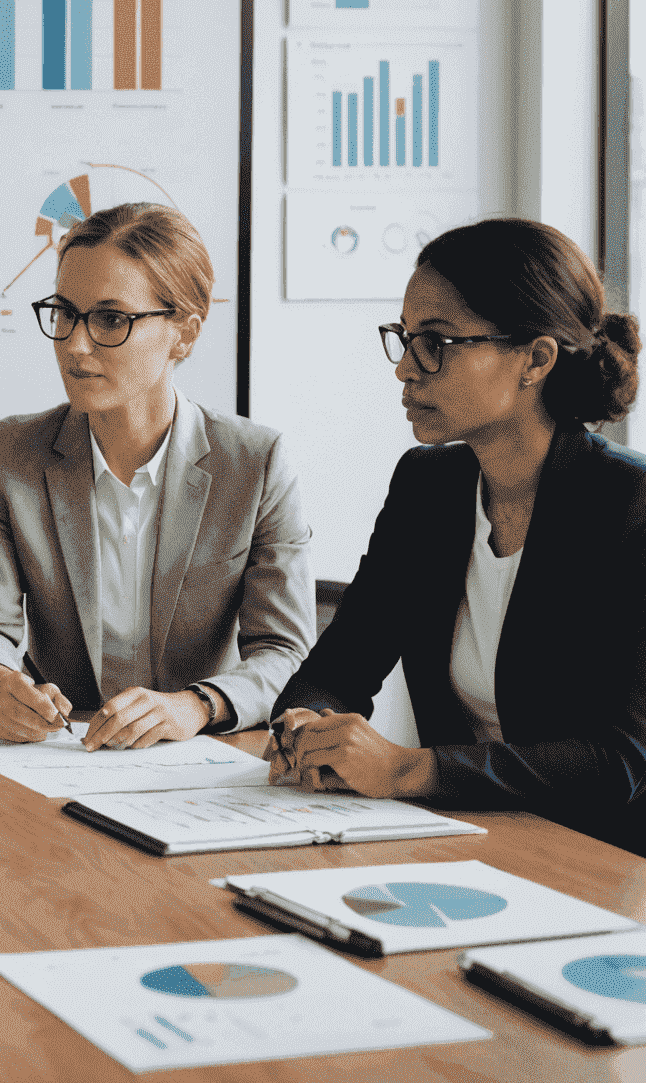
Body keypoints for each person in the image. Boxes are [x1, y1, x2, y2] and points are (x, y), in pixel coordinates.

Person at [269, 218, 646, 853]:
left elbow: (624, 759)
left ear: (534, 359)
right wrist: (306, 723)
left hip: (605, 857)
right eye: (405, 338)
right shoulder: (428, 485)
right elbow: (341, 663)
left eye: (437, 343)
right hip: (463, 835)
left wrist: (410, 768)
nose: (406, 370)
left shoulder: (629, 506)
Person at [0, 202, 314, 749]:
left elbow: (285, 654)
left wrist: (195, 706)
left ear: (183, 334)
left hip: (203, 763)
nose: (74, 344)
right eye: (64, 313)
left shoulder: (255, 462)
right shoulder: (12, 454)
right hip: (59, 756)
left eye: (111, 319)